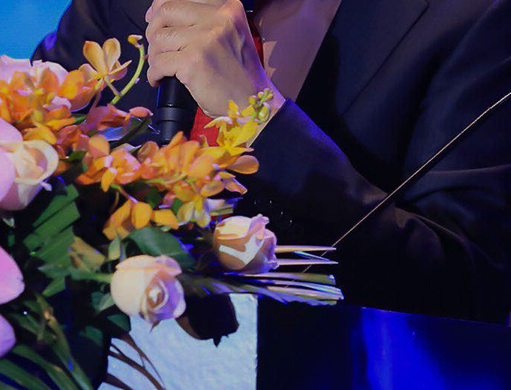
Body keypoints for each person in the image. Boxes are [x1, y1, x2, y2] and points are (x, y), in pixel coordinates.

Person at [37, 0, 511, 323]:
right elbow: (26, 167)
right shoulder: (113, 5)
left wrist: (261, 118)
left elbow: (469, 285)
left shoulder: (470, 18)